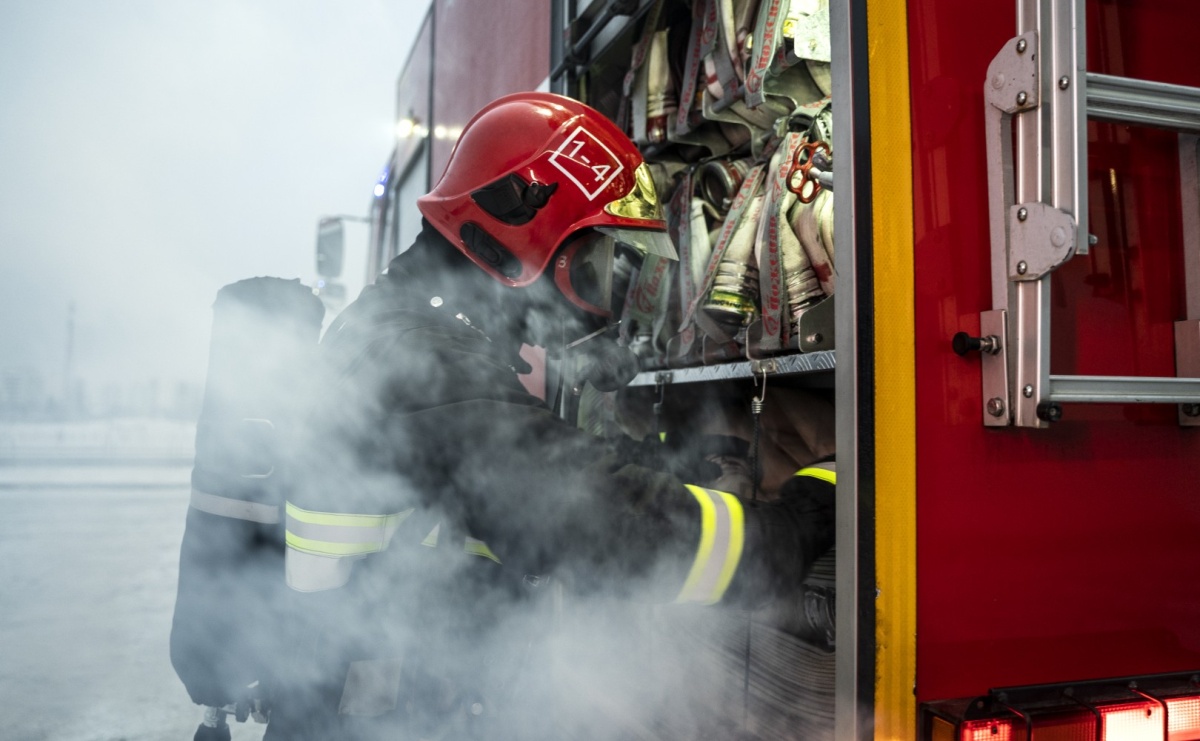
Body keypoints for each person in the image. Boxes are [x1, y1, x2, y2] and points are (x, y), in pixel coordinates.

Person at [266, 92, 835, 740]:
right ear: (520, 234)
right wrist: (797, 522)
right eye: (596, 267)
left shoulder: (405, 329)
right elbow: (608, 529)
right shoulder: (429, 362)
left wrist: (656, 463)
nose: (605, 305)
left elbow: (493, 485)